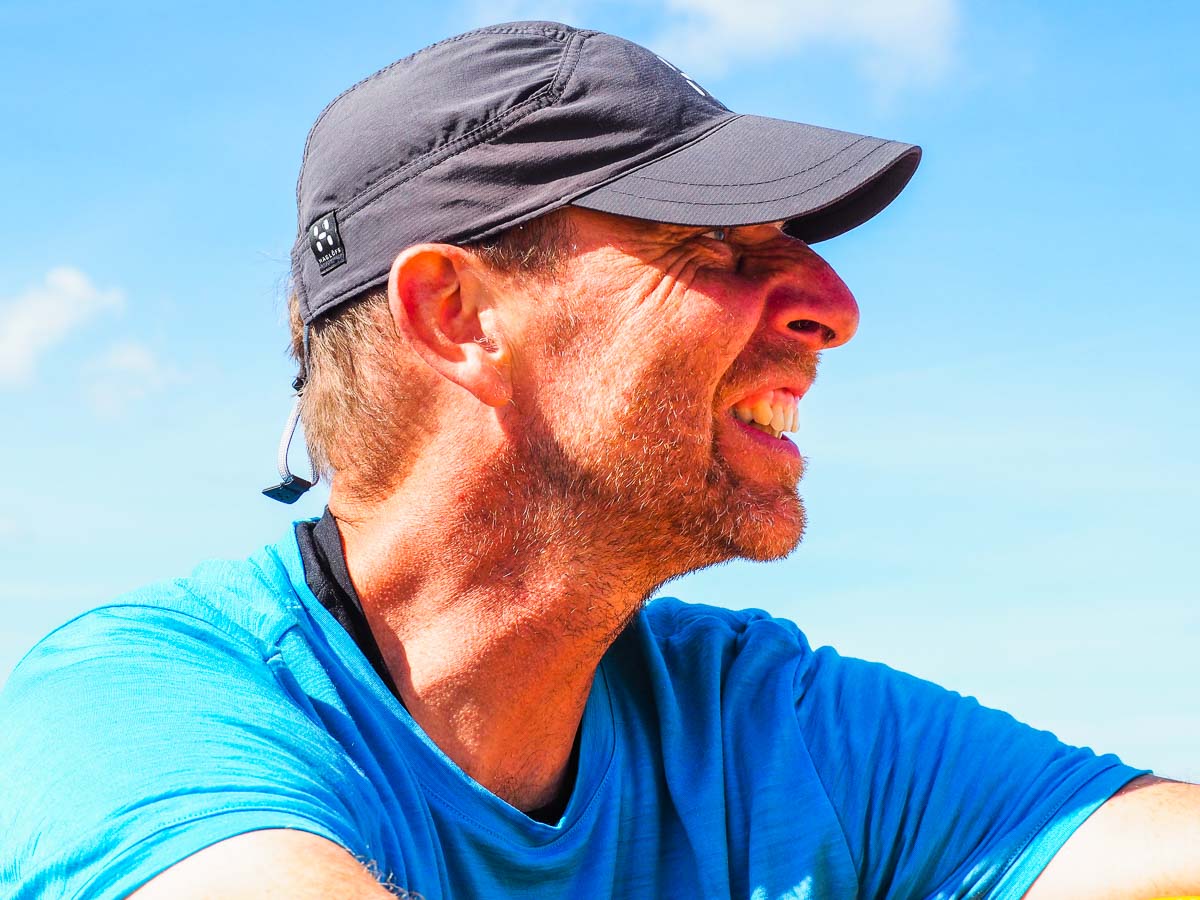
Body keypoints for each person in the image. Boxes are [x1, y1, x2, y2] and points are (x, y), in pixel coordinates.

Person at [1, 20, 1196, 900]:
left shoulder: (752, 722)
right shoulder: (137, 712)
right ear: (458, 316)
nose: (833, 307)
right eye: (711, 244)